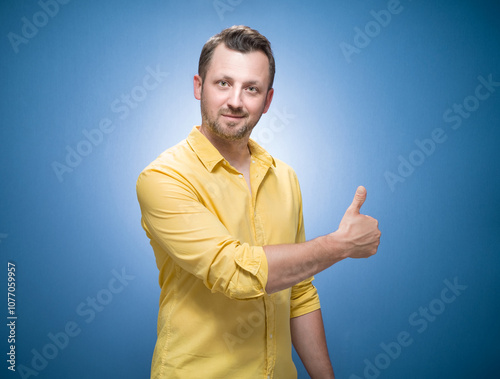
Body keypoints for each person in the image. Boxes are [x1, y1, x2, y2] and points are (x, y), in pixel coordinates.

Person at [136, 25, 381, 379]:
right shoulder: (163, 178)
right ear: (197, 87)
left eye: (251, 88)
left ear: (267, 101)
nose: (235, 100)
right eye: (223, 83)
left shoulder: (285, 178)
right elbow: (233, 271)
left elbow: (299, 293)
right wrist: (340, 245)